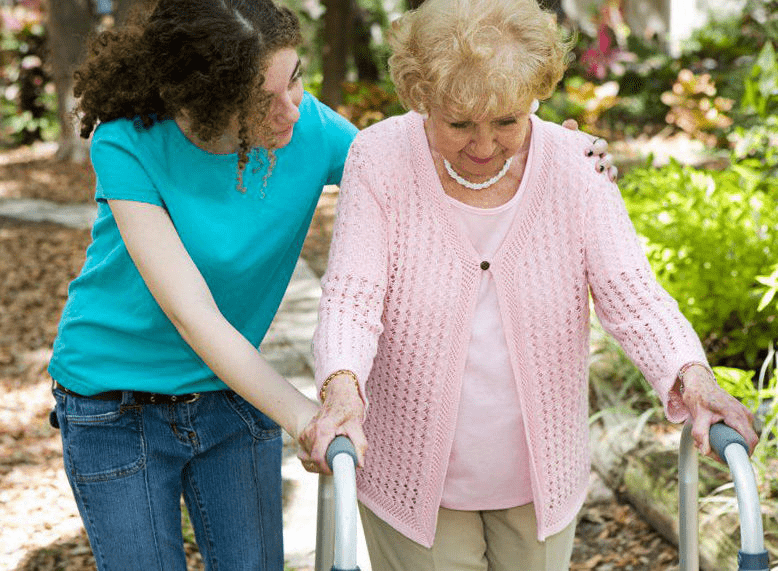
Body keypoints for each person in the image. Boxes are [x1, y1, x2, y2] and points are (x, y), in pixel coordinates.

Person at [47, 0, 614, 568]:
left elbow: (413, 165)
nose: (290, 111)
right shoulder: (127, 142)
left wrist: (549, 157)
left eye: (295, 81)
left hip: (232, 396)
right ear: (206, 100)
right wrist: (308, 417)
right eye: (261, 102)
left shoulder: (311, 128)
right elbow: (191, 313)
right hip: (114, 404)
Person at [298, 0, 759, 569]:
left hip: (540, 482)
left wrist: (693, 376)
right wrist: (341, 390)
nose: (485, 145)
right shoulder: (380, 158)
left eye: (507, 121)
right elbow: (352, 296)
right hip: (410, 475)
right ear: (420, 99)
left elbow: (633, 296)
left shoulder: (576, 167)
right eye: (459, 123)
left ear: (535, 96)